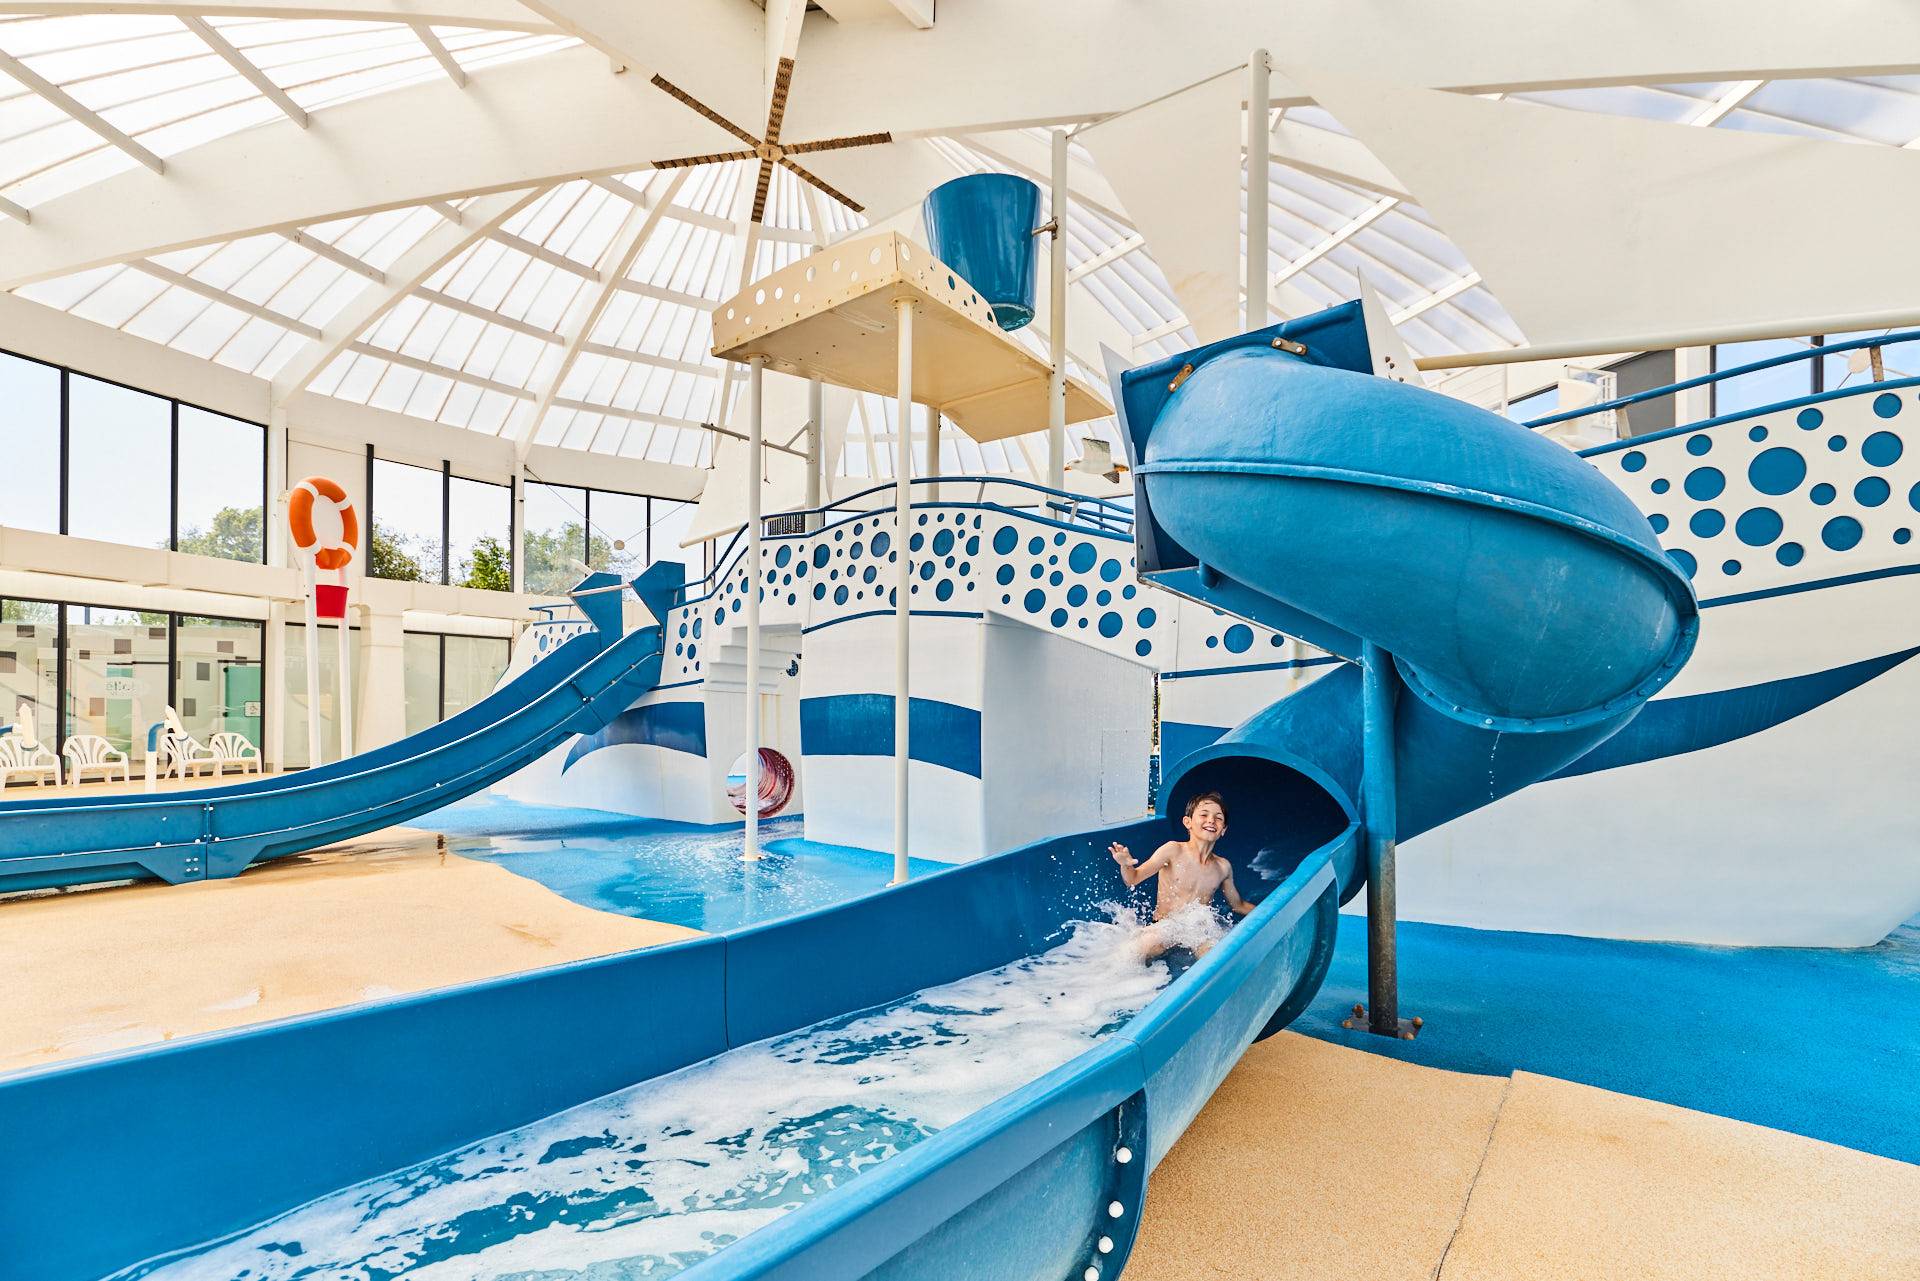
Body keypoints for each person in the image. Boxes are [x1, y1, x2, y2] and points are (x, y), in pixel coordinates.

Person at [1109, 791, 1254, 957]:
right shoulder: (1173, 850)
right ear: (1188, 822)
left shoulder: (1223, 867)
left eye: (1218, 818)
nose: (1211, 820)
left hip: (1197, 932)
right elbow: (1133, 879)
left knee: (1214, 956)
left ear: (1223, 830)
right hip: (1164, 927)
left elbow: (1238, 905)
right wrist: (1125, 865)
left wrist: (1270, 912)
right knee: (1137, 951)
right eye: (1204, 814)